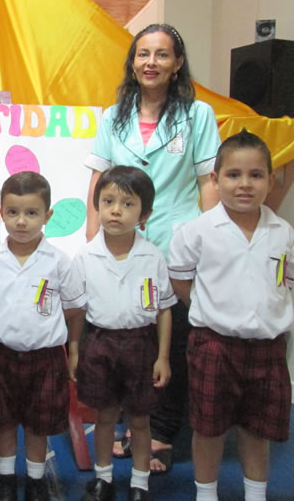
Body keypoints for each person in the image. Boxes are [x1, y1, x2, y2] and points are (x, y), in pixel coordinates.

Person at [84, 23, 221, 473]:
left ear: (177, 63)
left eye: (162, 55)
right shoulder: (113, 116)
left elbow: (207, 181)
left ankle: (161, 431)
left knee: (171, 337)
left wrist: (209, 238)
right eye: (143, 54)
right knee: (123, 336)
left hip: (175, 239)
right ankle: (124, 420)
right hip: (120, 241)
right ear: (133, 61)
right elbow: (98, 181)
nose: (151, 63)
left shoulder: (197, 115)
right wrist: (92, 236)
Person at [168, 130, 294, 501]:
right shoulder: (196, 231)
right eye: (233, 175)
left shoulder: (283, 232)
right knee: (208, 427)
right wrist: (212, 310)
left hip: (268, 347)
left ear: (270, 181)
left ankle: (255, 494)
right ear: (215, 179)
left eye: (256, 175)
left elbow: (285, 279)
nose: (245, 184)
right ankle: (206, 494)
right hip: (214, 345)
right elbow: (181, 280)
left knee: (257, 429)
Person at [0, 171, 85, 501]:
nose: (21, 221)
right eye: (12, 212)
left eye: (32, 213)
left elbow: (75, 308)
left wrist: (73, 348)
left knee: (40, 423)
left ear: (47, 216)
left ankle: (36, 480)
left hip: (46, 357)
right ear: (0, 213)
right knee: (3, 422)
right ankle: (6, 479)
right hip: (0, 354)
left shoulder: (59, 262)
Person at [71, 166, 175, 501]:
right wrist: (74, 351)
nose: (116, 210)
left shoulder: (153, 256)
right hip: (99, 343)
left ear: (145, 214)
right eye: (108, 201)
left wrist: (162, 356)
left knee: (141, 420)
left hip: (141, 346)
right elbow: (76, 312)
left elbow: (163, 310)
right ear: (97, 206)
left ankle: (139, 483)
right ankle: (103, 478)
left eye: (128, 204)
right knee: (104, 417)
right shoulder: (85, 256)